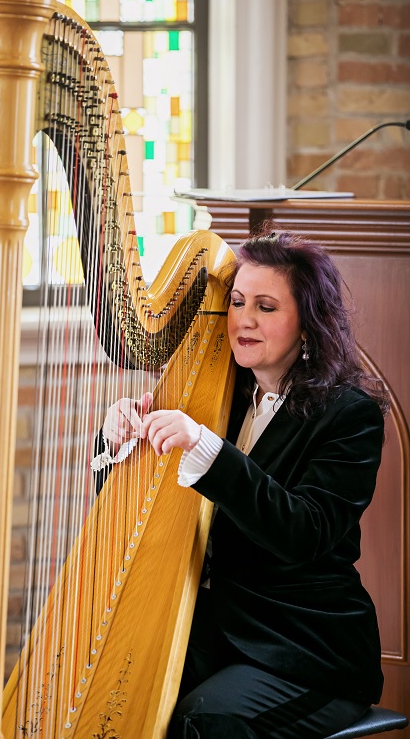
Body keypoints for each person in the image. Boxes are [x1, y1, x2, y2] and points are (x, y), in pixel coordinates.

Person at [97, 229, 389, 739]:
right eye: (236, 301)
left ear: (308, 324)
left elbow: (304, 532)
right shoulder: (220, 396)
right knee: (113, 696)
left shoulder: (349, 415)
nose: (244, 319)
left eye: (266, 306)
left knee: (201, 722)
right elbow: (130, 514)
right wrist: (120, 442)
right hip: (217, 630)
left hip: (304, 649)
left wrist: (208, 450)